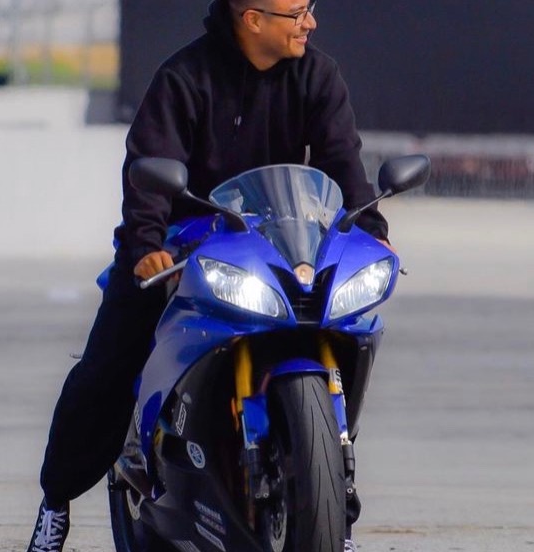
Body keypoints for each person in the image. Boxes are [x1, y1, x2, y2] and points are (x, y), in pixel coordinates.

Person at [26, 1, 390, 551]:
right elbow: (146, 171)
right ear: (252, 19)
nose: (310, 23)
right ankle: (55, 503)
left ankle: (330, 506)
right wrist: (146, 246)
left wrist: (372, 229)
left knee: (346, 326)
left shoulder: (318, 74)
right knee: (105, 371)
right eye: (297, 13)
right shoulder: (184, 78)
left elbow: (344, 163)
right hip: (180, 244)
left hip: (278, 243)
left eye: (310, 8)